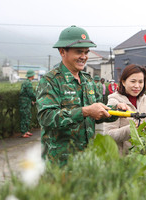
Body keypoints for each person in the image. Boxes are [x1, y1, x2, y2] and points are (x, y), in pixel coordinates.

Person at [36, 25, 127, 166]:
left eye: (86, 52)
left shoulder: (88, 80)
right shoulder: (50, 80)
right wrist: (85, 111)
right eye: (79, 52)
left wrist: (117, 110)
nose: (84, 57)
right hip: (59, 162)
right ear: (62, 52)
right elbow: (46, 117)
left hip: (85, 160)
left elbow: (97, 113)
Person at [104, 64, 146, 155]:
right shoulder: (114, 102)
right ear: (123, 82)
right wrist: (131, 129)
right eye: (133, 81)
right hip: (124, 160)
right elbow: (108, 134)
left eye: (141, 82)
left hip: (145, 158)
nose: (137, 86)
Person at [19, 70, 36, 138]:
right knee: (25, 116)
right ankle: (23, 132)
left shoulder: (26, 82)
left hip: (26, 102)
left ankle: (26, 131)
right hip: (25, 103)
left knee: (27, 116)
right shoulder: (28, 83)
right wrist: (36, 98)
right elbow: (31, 94)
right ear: (32, 76)